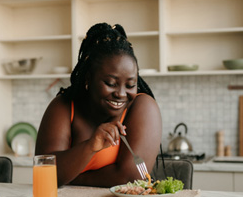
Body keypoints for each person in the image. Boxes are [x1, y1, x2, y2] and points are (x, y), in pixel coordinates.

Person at [35, 23, 162, 187]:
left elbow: (130, 178)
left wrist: (74, 178)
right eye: (110, 83)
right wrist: (89, 147)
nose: (121, 94)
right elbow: (45, 172)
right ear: (88, 79)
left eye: (130, 85)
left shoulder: (143, 107)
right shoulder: (64, 105)